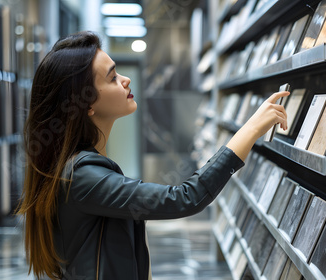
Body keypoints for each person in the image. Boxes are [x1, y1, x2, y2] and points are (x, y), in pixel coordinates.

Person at [15, 31, 289, 280]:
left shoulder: (79, 167)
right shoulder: (82, 176)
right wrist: (251, 129)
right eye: (112, 77)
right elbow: (185, 198)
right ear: (85, 105)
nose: (125, 80)